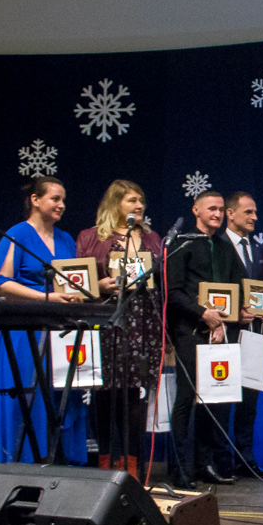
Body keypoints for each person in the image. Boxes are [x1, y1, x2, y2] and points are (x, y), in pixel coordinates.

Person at [0, 176, 87, 464]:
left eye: (63, 200)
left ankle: (63, 466)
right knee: (29, 399)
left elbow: (73, 282)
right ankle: (24, 465)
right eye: (55, 199)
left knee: (64, 398)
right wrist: (46, 297)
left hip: (61, 331)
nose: (61, 205)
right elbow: (0, 284)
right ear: (35, 200)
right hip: (26, 330)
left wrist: (80, 294)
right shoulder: (17, 234)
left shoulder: (65, 239)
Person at [74, 179, 164, 477]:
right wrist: (98, 286)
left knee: (135, 395)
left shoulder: (152, 238)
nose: (139, 206)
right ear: (115, 204)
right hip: (107, 323)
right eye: (131, 201)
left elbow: (163, 282)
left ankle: (131, 467)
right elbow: (75, 281)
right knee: (104, 394)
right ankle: (105, 464)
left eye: (141, 201)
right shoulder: (90, 237)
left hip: (144, 324)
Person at [165, 190, 251, 489]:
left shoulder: (225, 247)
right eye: (211, 208)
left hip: (219, 331)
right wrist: (203, 313)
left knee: (212, 399)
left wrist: (229, 317)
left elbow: (237, 287)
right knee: (186, 398)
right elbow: (173, 292)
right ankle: (179, 468)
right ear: (196, 210)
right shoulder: (182, 243)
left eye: (220, 209)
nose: (216, 214)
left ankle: (204, 465)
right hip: (189, 330)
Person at [221, 192, 263, 479]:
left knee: (249, 399)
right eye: (248, 212)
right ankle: (220, 459)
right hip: (224, 332)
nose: (254, 217)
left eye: (255, 212)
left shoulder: (258, 249)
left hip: (255, 332)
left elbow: (262, 290)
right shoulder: (217, 245)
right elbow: (211, 290)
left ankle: (245, 457)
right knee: (221, 397)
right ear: (230, 214)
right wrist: (234, 314)